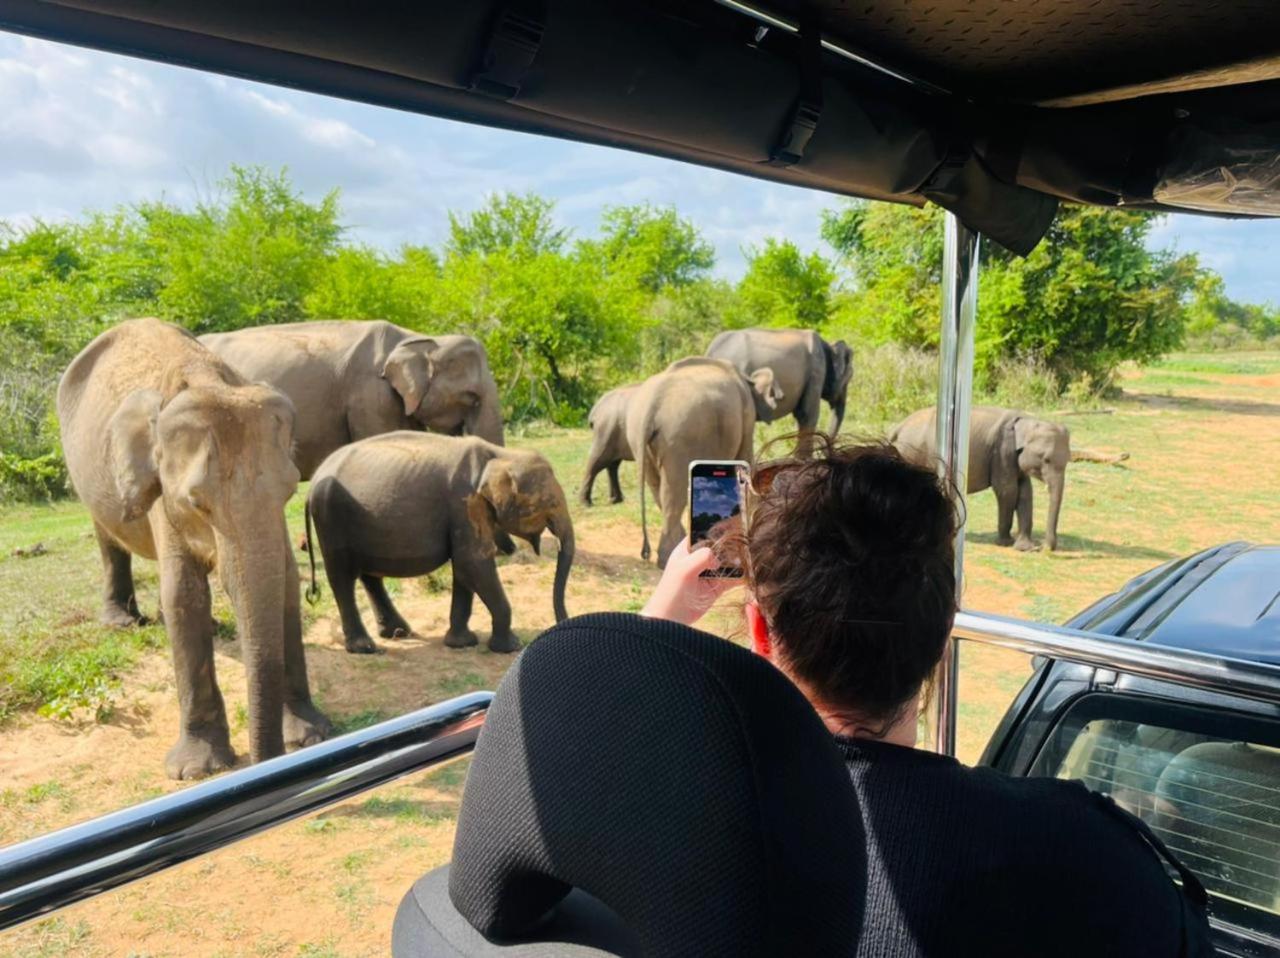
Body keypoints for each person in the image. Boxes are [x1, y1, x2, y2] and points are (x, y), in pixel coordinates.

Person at [640, 439, 1213, 958]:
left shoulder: (678, 827)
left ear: (761, 636)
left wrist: (665, 615)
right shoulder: (1082, 851)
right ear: (944, 636)